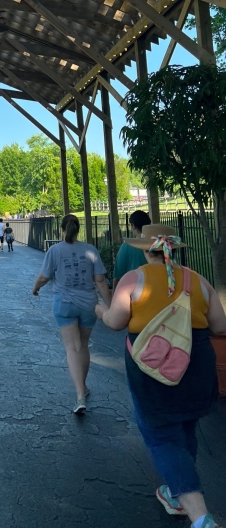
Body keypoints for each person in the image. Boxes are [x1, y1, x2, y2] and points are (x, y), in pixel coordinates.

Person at [96, 224, 226, 528]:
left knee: (162, 435)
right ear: (173, 249)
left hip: (151, 367)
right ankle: (175, 492)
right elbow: (220, 325)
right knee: (186, 423)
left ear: (145, 250)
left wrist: (100, 310)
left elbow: (115, 321)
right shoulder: (197, 279)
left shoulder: (133, 279)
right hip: (197, 363)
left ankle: (200, 517)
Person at [32, 214, 111, 414]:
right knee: (83, 346)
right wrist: (110, 305)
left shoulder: (55, 250)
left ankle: (80, 395)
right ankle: (83, 387)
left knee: (72, 348)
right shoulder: (91, 250)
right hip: (88, 304)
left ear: (62, 229)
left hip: (64, 305)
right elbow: (100, 280)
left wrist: (36, 288)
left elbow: (44, 276)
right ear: (78, 229)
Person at [113, 209, 151, 289]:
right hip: (153, 288)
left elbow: (118, 275)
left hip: (132, 289)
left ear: (133, 226)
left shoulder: (126, 246)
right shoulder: (157, 245)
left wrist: (114, 293)